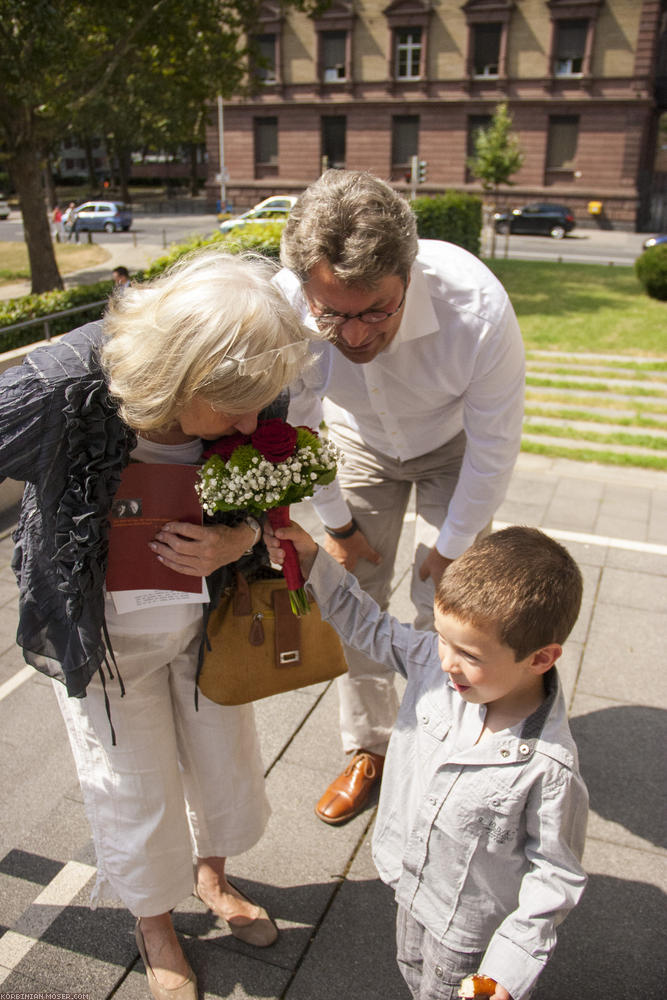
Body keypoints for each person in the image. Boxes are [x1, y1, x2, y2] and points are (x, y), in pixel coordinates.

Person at [0, 248, 317, 1000]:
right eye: (233, 407)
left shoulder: (251, 385)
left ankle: (213, 879)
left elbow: (273, 477)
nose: (251, 421)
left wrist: (238, 539)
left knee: (222, 760)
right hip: (104, 637)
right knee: (130, 782)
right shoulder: (64, 387)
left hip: (205, 623)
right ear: (177, 375)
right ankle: (154, 922)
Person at [277, 170, 525, 823]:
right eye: (332, 314)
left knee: (443, 609)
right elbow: (299, 428)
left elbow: (494, 445)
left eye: (376, 311)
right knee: (355, 592)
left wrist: (451, 547)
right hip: (356, 442)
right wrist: (335, 521)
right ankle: (371, 749)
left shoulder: (475, 304)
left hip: (453, 445)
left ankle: (436, 743)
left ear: (407, 275)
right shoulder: (288, 308)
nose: (354, 337)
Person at [265, 521, 588, 1000]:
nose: (446, 662)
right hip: (409, 882)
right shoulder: (436, 668)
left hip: (469, 929)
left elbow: (554, 874)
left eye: (468, 654)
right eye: (441, 638)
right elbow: (367, 624)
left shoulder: (548, 766)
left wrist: (505, 971)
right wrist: (314, 560)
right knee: (411, 967)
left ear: (541, 658)